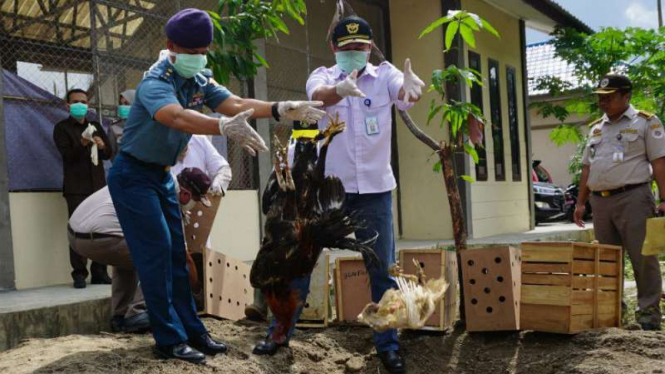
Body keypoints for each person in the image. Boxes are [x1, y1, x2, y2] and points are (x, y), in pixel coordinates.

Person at [106, 8, 326, 365]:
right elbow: (174, 116)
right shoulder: (155, 81)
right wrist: (221, 128)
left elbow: (235, 103)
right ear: (170, 46)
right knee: (157, 253)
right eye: (190, 51)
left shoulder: (198, 80)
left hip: (162, 176)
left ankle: (193, 331)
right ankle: (168, 338)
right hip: (132, 176)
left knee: (178, 254)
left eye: (201, 51)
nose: (197, 58)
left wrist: (280, 108)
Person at [251, 16, 424, 374]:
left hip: (374, 191)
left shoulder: (386, 76)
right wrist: (340, 91)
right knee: (298, 264)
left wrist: (410, 88)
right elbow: (316, 96)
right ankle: (279, 333)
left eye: (360, 47)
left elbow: (405, 96)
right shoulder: (323, 76)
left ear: (370, 46)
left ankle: (387, 347)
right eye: (346, 48)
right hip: (324, 194)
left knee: (381, 271)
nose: (354, 54)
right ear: (334, 48)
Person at [574, 74, 664, 331]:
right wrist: (581, 203)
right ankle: (612, 313)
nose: (603, 102)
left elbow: (659, 162)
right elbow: (586, 168)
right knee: (607, 261)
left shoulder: (646, 122)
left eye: (609, 97)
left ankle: (648, 317)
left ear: (627, 96)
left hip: (634, 198)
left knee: (643, 257)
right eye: (600, 97)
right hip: (600, 202)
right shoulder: (596, 128)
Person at [53, 88, 113, 289]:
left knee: (101, 229)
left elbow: (108, 154)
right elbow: (67, 156)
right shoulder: (61, 128)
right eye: (76, 101)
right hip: (76, 188)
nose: (81, 105)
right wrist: (82, 143)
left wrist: (103, 145)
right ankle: (79, 273)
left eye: (84, 101)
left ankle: (100, 272)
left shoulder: (95, 125)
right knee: (78, 230)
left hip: (98, 187)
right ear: (68, 105)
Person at [108, 89, 136, 159]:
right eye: (121, 104)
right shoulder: (114, 127)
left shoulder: (146, 125)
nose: (122, 106)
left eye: (126, 103)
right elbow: (112, 152)